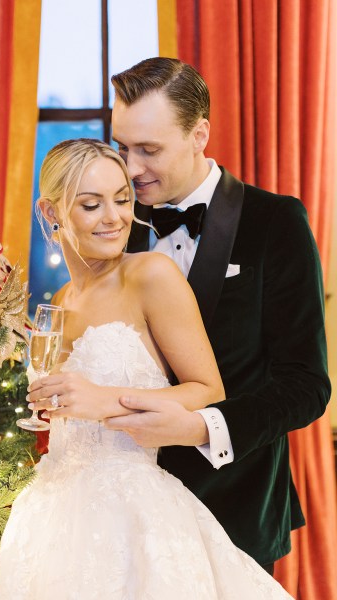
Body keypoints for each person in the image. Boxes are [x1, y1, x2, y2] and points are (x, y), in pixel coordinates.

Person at [0, 138, 294, 599]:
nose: (114, 218)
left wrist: (102, 400)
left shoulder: (150, 275)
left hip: (134, 515)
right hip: (53, 515)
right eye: (91, 204)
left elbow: (208, 390)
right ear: (51, 212)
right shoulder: (60, 302)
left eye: (123, 199)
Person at [102, 57, 331, 573]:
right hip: (128, 518)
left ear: (199, 133)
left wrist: (200, 427)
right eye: (123, 147)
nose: (131, 168)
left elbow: (306, 384)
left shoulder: (276, 222)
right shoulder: (118, 228)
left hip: (236, 514)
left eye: (150, 150)